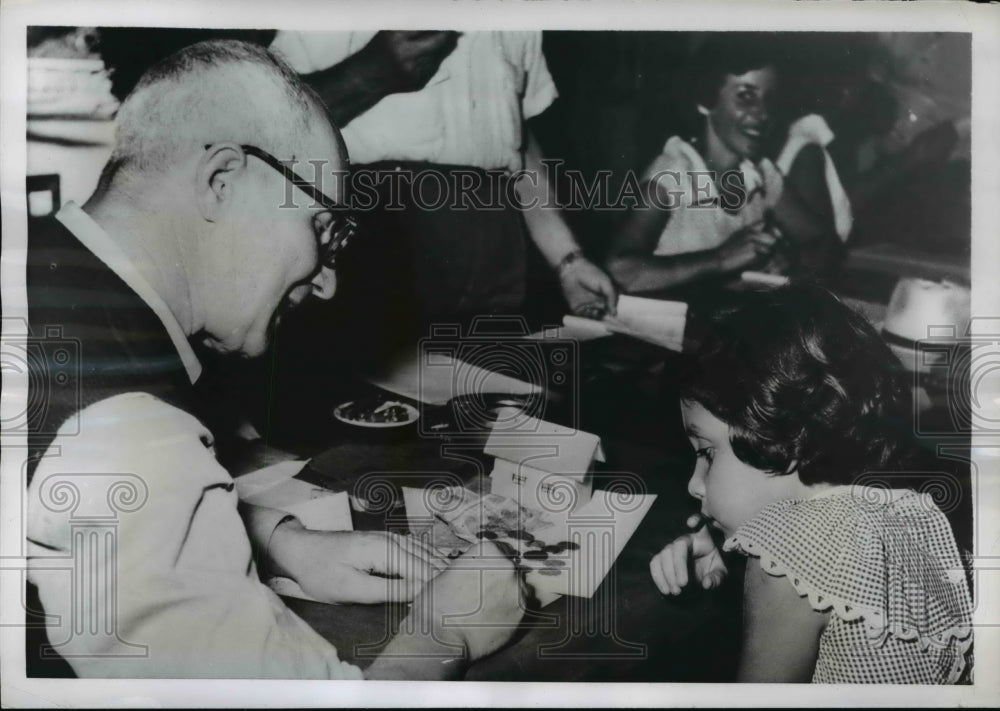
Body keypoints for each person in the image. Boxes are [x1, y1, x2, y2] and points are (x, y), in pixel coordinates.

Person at [25, 39, 525, 679]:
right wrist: (443, 635)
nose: (329, 281)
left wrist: (278, 540)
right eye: (324, 228)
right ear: (222, 181)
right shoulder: (124, 422)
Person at [649, 285, 973, 683]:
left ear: (781, 439)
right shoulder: (905, 514)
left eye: (707, 453)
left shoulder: (787, 556)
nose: (694, 485)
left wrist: (762, 561)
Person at [269, 30, 617, 337]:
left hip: (494, 264)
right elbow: (267, 124)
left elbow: (518, 144)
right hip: (378, 259)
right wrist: (368, 74)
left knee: (487, 403)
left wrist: (568, 260)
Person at [605, 34, 852, 295]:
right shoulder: (675, 173)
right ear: (705, 99)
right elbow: (620, 271)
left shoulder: (758, 172)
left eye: (769, 99)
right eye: (746, 97)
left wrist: (787, 260)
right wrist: (719, 259)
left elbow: (825, 245)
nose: (763, 114)